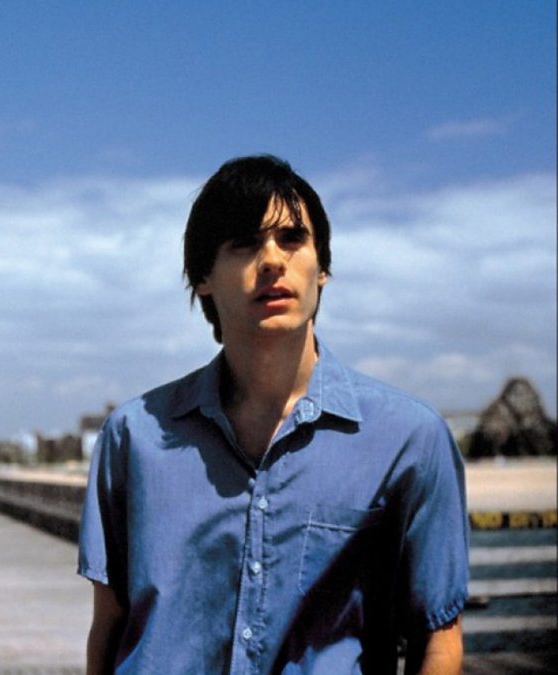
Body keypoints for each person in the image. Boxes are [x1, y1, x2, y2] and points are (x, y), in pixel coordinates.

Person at [78, 155, 468, 674]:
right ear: (202, 277)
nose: (271, 260)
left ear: (322, 268)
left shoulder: (408, 439)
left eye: (292, 239)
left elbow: (437, 638)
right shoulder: (135, 436)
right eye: (244, 243)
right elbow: (109, 627)